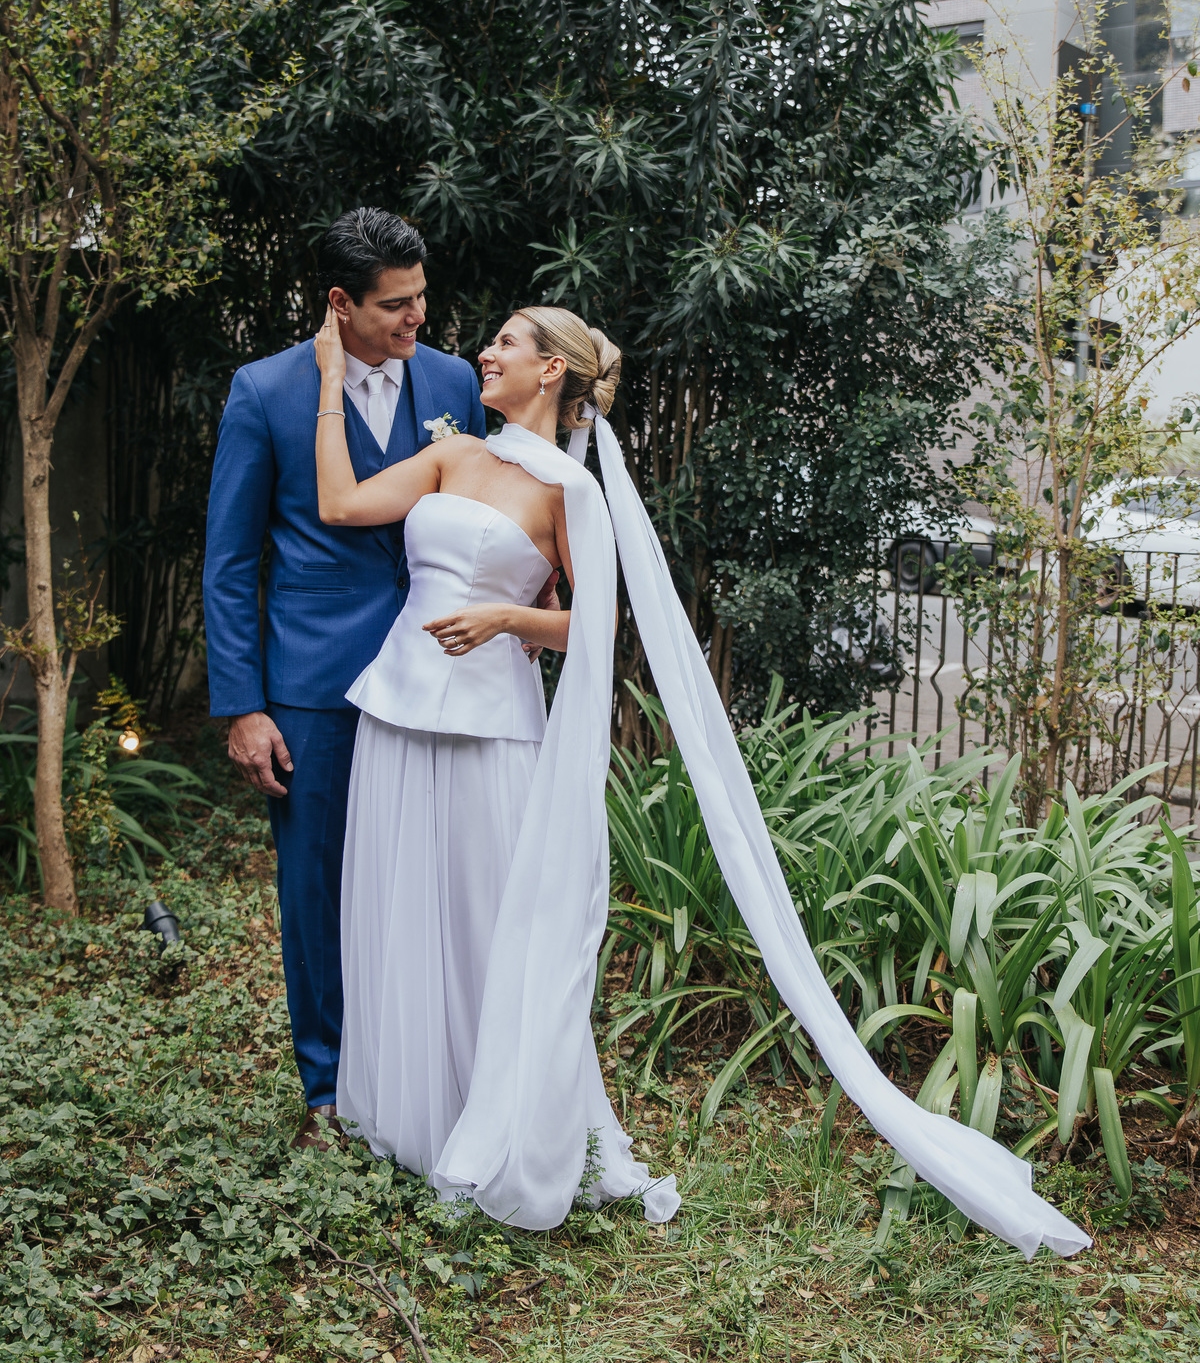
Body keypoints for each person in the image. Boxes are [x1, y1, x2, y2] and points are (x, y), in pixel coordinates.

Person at [315, 302, 1091, 1256]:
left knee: (483, 919)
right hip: (396, 708)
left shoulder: (570, 490)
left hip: (489, 728)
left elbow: (601, 623)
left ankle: (491, 1123)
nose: (487, 351)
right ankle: (401, 1116)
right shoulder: (451, 454)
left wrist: (510, 620)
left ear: (551, 370)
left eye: (507, 341)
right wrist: (329, 379)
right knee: (399, 902)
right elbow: (341, 504)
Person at [202, 208, 487, 1150]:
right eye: (395, 304)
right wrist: (244, 704)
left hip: (438, 673)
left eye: (421, 298)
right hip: (315, 686)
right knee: (317, 888)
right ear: (340, 303)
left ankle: (419, 1073)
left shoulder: (453, 382)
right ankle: (328, 1089)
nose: (416, 318)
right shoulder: (265, 390)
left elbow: (488, 505)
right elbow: (229, 563)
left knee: (428, 876)